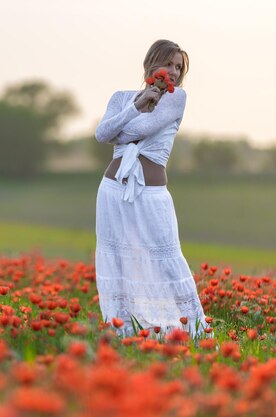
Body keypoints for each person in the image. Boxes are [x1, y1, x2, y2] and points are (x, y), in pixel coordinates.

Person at [94, 39, 208, 338]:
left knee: (166, 259)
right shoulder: (121, 97)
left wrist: (122, 128)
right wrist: (134, 106)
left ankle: (190, 332)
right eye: (168, 64)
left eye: (178, 67)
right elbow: (102, 134)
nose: (173, 72)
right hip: (113, 192)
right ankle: (123, 332)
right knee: (119, 261)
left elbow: (138, 130)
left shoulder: (176, 98)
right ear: (151, 63)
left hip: (152, 194)